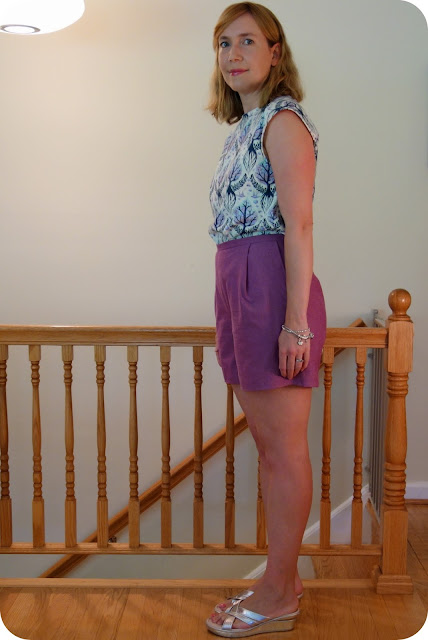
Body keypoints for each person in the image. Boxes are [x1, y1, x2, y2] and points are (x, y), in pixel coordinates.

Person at [205, 2, 326, 637]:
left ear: (275, 52)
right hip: (238, 282)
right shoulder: (243, 128)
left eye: (248, 41)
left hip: (270, 287)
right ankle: (283, 581)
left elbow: (299, 226)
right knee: (272, 450)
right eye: (224, 43)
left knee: (282, 453)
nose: (233, 54)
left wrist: (295, 322)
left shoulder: (283, 121)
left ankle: (278, 594)